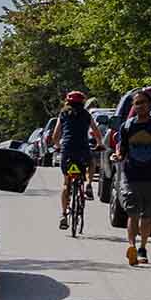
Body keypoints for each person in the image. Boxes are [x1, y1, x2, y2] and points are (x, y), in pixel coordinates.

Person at [112, 93, 151, 266]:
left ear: (149, 104)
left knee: (147, 215)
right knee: (133, 212)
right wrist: (117, 156)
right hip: (131, 174)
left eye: (143, 103)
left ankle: (143, 246)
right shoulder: (127, 126)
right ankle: (132, 247)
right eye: (136, 103)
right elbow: (122, 150)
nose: (139, 106)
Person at [55, 91, 95, 229]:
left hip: (67, 149)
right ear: (83, 102)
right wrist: (100, 143)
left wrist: (59, 146)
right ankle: (89, 184)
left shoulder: (63, 114)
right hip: (83, 149)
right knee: (91, 162)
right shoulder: (86, 114)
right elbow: (96, 131)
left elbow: (55, 135)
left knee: (67, 183)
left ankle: (64, 214)